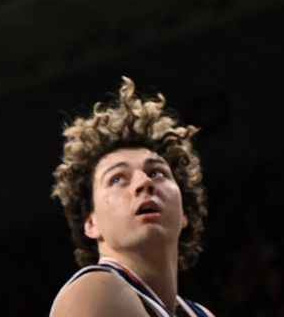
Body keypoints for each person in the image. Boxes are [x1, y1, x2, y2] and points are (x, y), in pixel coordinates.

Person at [50, 77, 213, 317]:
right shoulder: (95, 291)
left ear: (184, 214)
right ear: (91, 222)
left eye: (156, 173)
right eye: (117, 179)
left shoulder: (200, 314)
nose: (144, 182)